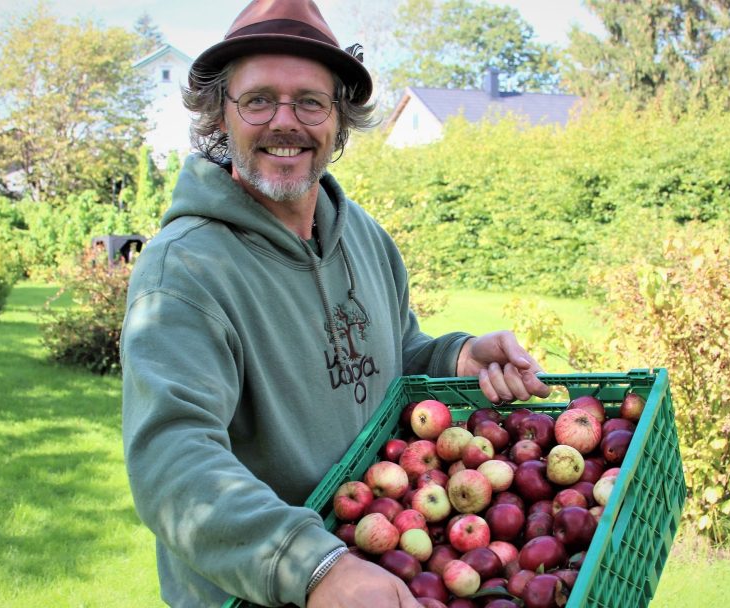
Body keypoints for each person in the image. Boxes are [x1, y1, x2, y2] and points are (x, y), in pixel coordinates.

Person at [120, 1, 551, 606]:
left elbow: (393, 353)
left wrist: (456, 358)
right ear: (222, 113)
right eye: (258, 99)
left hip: (381, 565)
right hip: (262, 591)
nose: (285, 121)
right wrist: (315, 566)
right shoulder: (184, 271)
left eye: (311, 102)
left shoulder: (365, 239)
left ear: (338, 119)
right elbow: (173, 460)